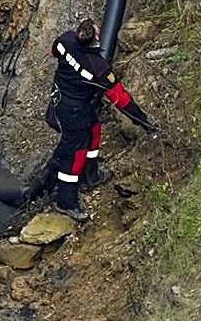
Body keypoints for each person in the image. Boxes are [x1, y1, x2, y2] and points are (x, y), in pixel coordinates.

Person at [43, 18, 154, 222]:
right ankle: (66, 201)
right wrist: (144, 122)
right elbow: (121, 99)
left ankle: (90, 176)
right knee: (75, 155)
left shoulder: (64, 41)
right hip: (74, 113)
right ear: (95, 38)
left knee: (94, 131)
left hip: (63, 101)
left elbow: (53, 51)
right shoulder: (97, 67)